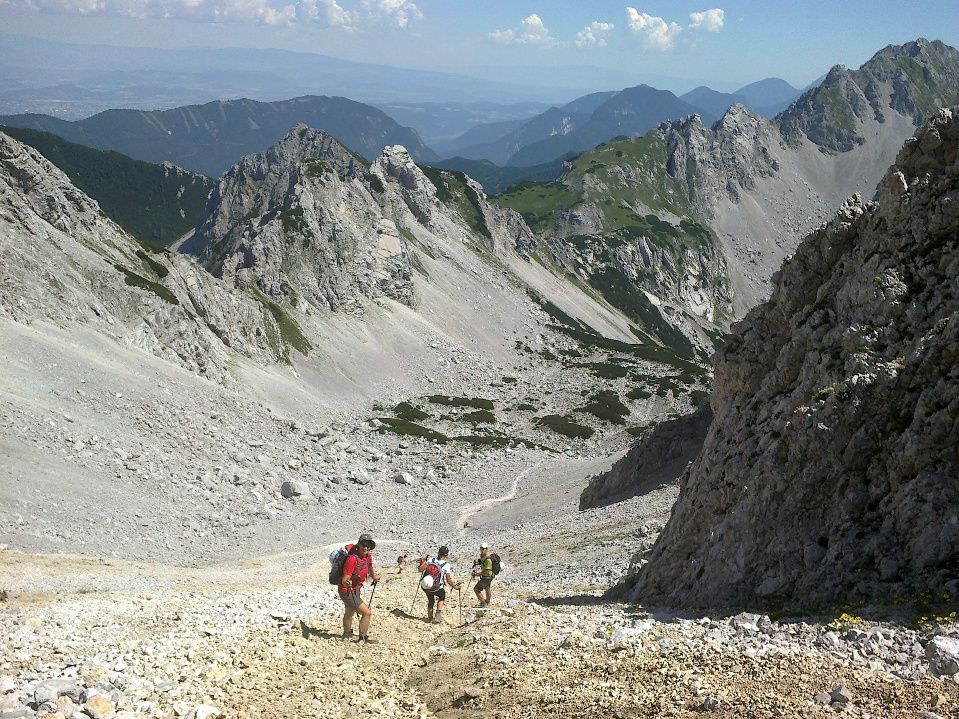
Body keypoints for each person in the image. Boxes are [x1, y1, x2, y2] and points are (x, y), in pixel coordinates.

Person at [339, 533, 381, 643]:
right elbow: (345, 579)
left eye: (368, 545)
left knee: (350, 610)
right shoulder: (352, 559)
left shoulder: (368, 556)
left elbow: (370, 567)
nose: (366, 547)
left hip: (356, 590)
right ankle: (363, 638)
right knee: (367, 613)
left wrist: (374, 577)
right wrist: (347, 581)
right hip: (347, 591)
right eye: (364, 544)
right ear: (359, 545)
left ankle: (346, 634)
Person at [418, 545, 462, 624]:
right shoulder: (446, 565)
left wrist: (423, 562)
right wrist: (455, 587)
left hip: (426, 585)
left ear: (438, 552)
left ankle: (430, 618)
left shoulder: (431, 560)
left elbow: (420, 570)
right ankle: (438, 614)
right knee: (442, 597)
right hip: (436, 587)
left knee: (430, 600)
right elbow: (448, 580)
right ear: (446, 555)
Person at [472, 542, 494, 607]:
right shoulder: (484, 557)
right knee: (487, 588)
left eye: (483, 549)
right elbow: (482, 562)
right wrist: (477, 563)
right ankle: (487, 601)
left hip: (486, 576)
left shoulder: (488, 559)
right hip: (489, 576)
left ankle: (483, 603)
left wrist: (476, 574)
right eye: (481, 549)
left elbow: (486, 571)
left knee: (476, 589)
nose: (481, 550)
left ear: (486, 549)